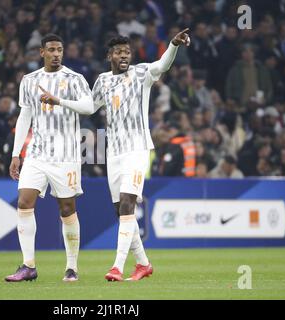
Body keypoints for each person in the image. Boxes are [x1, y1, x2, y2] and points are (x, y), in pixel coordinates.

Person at [40, 29, 191, 281]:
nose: (124, 55)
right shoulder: (102, 81)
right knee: (120, 211)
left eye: (127, 52)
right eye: (119, 52)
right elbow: (88, 108)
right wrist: (60, 101)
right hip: (114, 153)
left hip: (137, 148)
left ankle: (117, 267)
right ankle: (143, 264)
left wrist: (173, 45)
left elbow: (162, 64)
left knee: (128, 204)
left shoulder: (142, 73)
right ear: (110, 55)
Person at [5, 34, 93, 283]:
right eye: (52, 49)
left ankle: (72, 267)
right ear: (42, 52)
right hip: (36, 153)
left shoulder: (74, 79)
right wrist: (16, 153)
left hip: (66, 155)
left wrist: (59, 101)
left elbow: (89, 108)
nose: (56, 54)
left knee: (67, 209)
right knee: (24, 201)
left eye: (60, 50)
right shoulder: (29, 80)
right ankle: (28, 265)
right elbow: (25, 117)